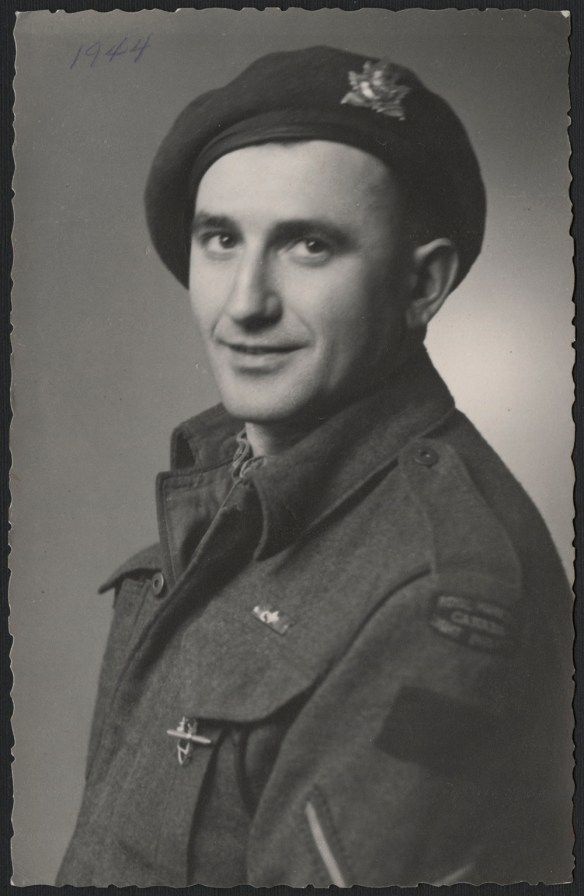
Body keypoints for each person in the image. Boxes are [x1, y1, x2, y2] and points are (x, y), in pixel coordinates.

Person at [56, 46, 573, 887]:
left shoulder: (438, 590)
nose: (244, 303)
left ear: (422, 285)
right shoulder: (237, 484)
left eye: (309, 245)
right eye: (221, 239)